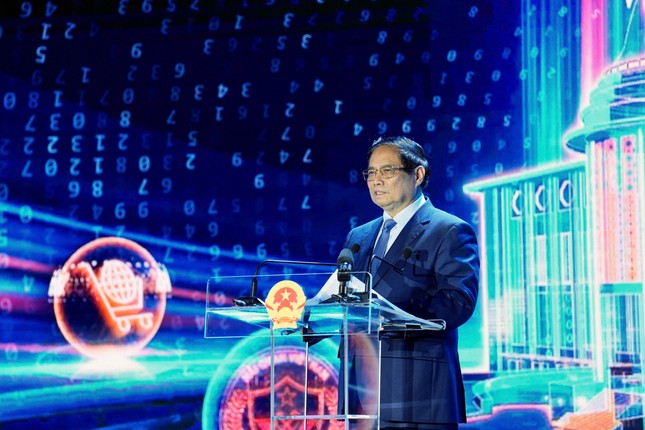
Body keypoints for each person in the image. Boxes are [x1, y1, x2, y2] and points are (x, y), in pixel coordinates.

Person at [341, 136, 480, 429]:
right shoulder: (358, 237)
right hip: (362, 391)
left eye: (387, 171)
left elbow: (458, 302)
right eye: (371, 172)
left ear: (417, 175)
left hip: (419, 390)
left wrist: (389, 311)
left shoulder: (450, 230)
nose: (376, 180)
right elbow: (347, 301)